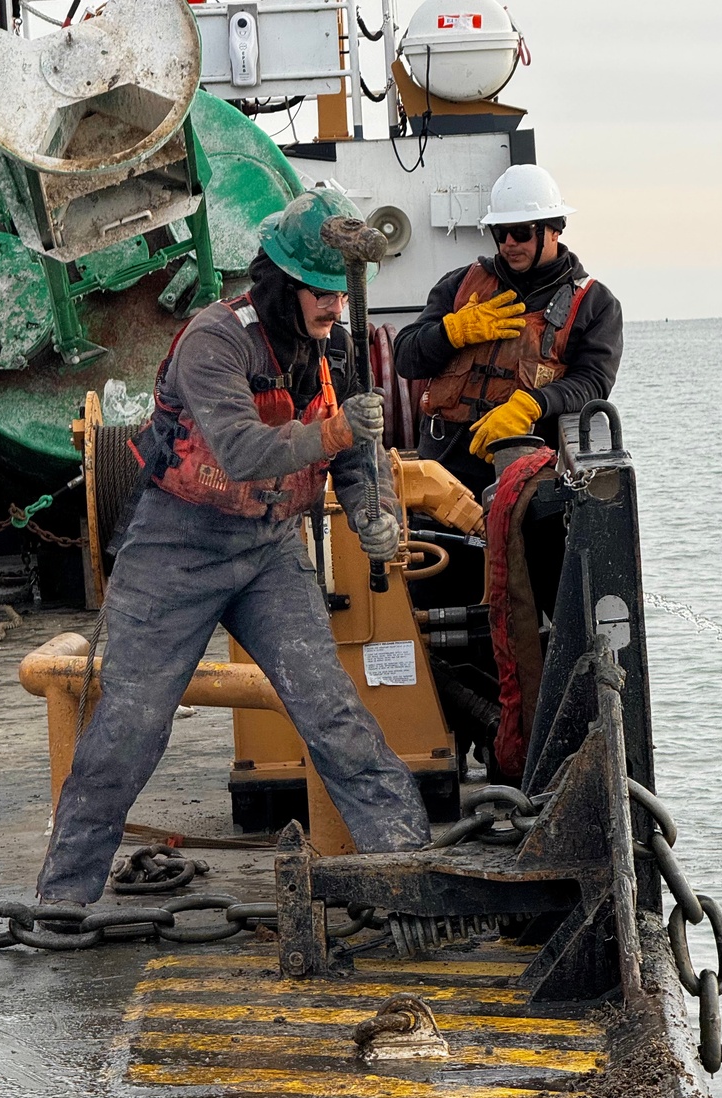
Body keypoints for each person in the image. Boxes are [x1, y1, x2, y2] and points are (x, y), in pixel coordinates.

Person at [37, 189, 431, 907]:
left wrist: (373, 504)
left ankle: (413, 875)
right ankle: (62, 901)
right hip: (173, 548)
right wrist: (341, 436)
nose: (333, 307)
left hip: (269, 550)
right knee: (129, 728)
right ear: (281, 283)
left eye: (339, 293)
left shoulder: (333, 347)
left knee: (331, 712)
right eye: (318, 292)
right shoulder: (214, 341)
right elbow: (245, 450)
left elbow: (355, 453)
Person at [393, 164, 623, 497]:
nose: (509, 243)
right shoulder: (460, 285)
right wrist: (450, 333)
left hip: (523, 475)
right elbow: (405, 358)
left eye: (522, 232)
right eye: (501, 233)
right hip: (441, 469)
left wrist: (532, 404)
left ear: (554, 229)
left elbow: (593, 382)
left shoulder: (595, 304)